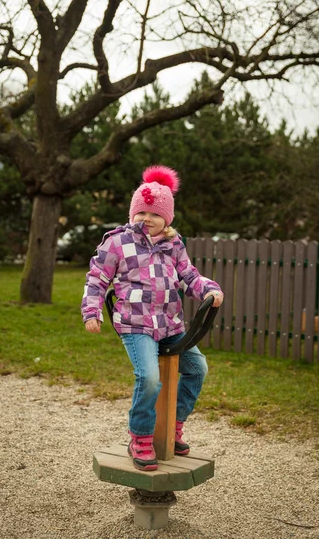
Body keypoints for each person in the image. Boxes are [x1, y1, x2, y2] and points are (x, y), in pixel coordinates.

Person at [81, 165, 224, 471]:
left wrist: (210, 290)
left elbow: (189, 277)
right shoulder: (117, 242)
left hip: (170, 325)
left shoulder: (174, 244)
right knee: (149, 378)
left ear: (166, 218)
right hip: (136, 326)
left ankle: (172, 424)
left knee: (197, 368)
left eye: (154, 214)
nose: (147, 219)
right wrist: (92, 311)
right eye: (141, 213)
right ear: (133, 214)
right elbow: (97, 280)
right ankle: (141, 437)